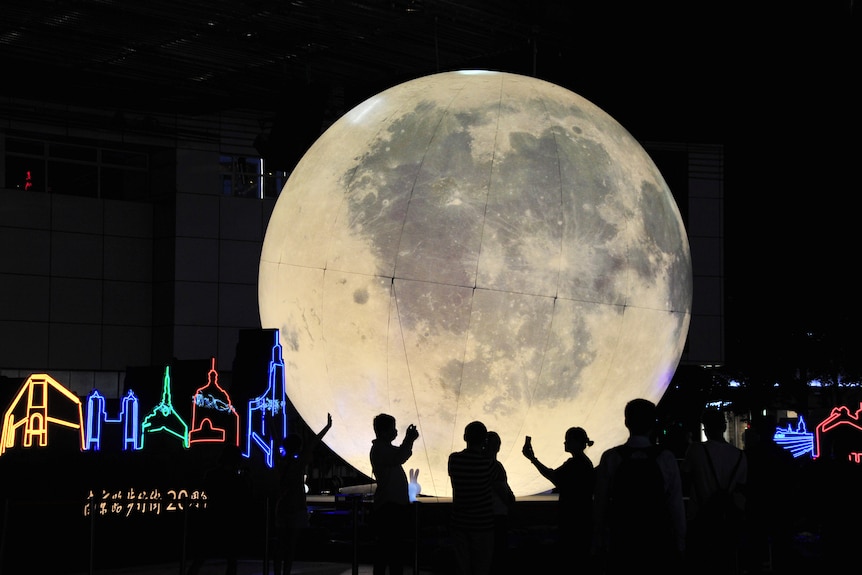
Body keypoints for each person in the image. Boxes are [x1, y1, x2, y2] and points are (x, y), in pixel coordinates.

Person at [592, 398, 686, 575]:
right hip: (657, 537)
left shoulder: (611, 457)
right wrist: (680, 540)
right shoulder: (665, 458)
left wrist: (598, 537)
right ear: (653, 423)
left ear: (626, 422)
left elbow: (600, 503)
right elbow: (676, 505)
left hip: (622, 537)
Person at [683, 409, 747, 575]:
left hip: (700, 516)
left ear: (705, 428)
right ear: (724, 427)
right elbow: (741, 488)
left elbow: (686, 476)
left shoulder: (695, 450)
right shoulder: (739, 456)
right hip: (729, 518)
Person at [522, 426, 595, 559]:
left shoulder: (576, 464)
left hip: (574, 520)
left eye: (567, 440)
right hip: (581, 518)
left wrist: (533, 459)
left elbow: (554, 476)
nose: (564, 443)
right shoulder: (583, 463)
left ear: (577, 442)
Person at [273, 413, 333, 575]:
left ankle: (278, 571)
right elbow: (312, 444)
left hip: (282, 505)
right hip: (297, 506)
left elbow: (277, 440)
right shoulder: (298, 464)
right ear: (298, 447)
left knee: (280, 544)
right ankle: (286, 572)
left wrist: (272, 425)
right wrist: (326, 427)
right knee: (291, 546)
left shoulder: (281, 462)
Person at [186, 443, 252, 575]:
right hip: (230, 520)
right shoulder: (237, 479)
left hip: (212, 518)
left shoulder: (211, 475)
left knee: (201, 556)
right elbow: (246, 496)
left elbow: (205, 491)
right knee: (232, 559)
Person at [369, 413, 420, 575]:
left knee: (388, 550)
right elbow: (399, 457)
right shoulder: (380, 449)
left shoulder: (382, 449)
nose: (396, 432)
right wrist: (409, 440)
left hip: (391, 504)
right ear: (384, 431)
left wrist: (408, 441)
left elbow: (400, 454)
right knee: (391, 550)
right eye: (393, 428)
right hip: (389, 506)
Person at [448, 420, 496, 575]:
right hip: (483, 523)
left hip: (460, 522)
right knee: (481, 565)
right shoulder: (489, 464)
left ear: (464, 437)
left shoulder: (454, 459)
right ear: (484, 440)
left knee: (462, 566)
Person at [485, 431, 516, 575]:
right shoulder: (495, 467)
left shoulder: (494, 465)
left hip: (487, 514)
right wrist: (511, 505)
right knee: (497, 552)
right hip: (497, 515)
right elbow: (501, 489)